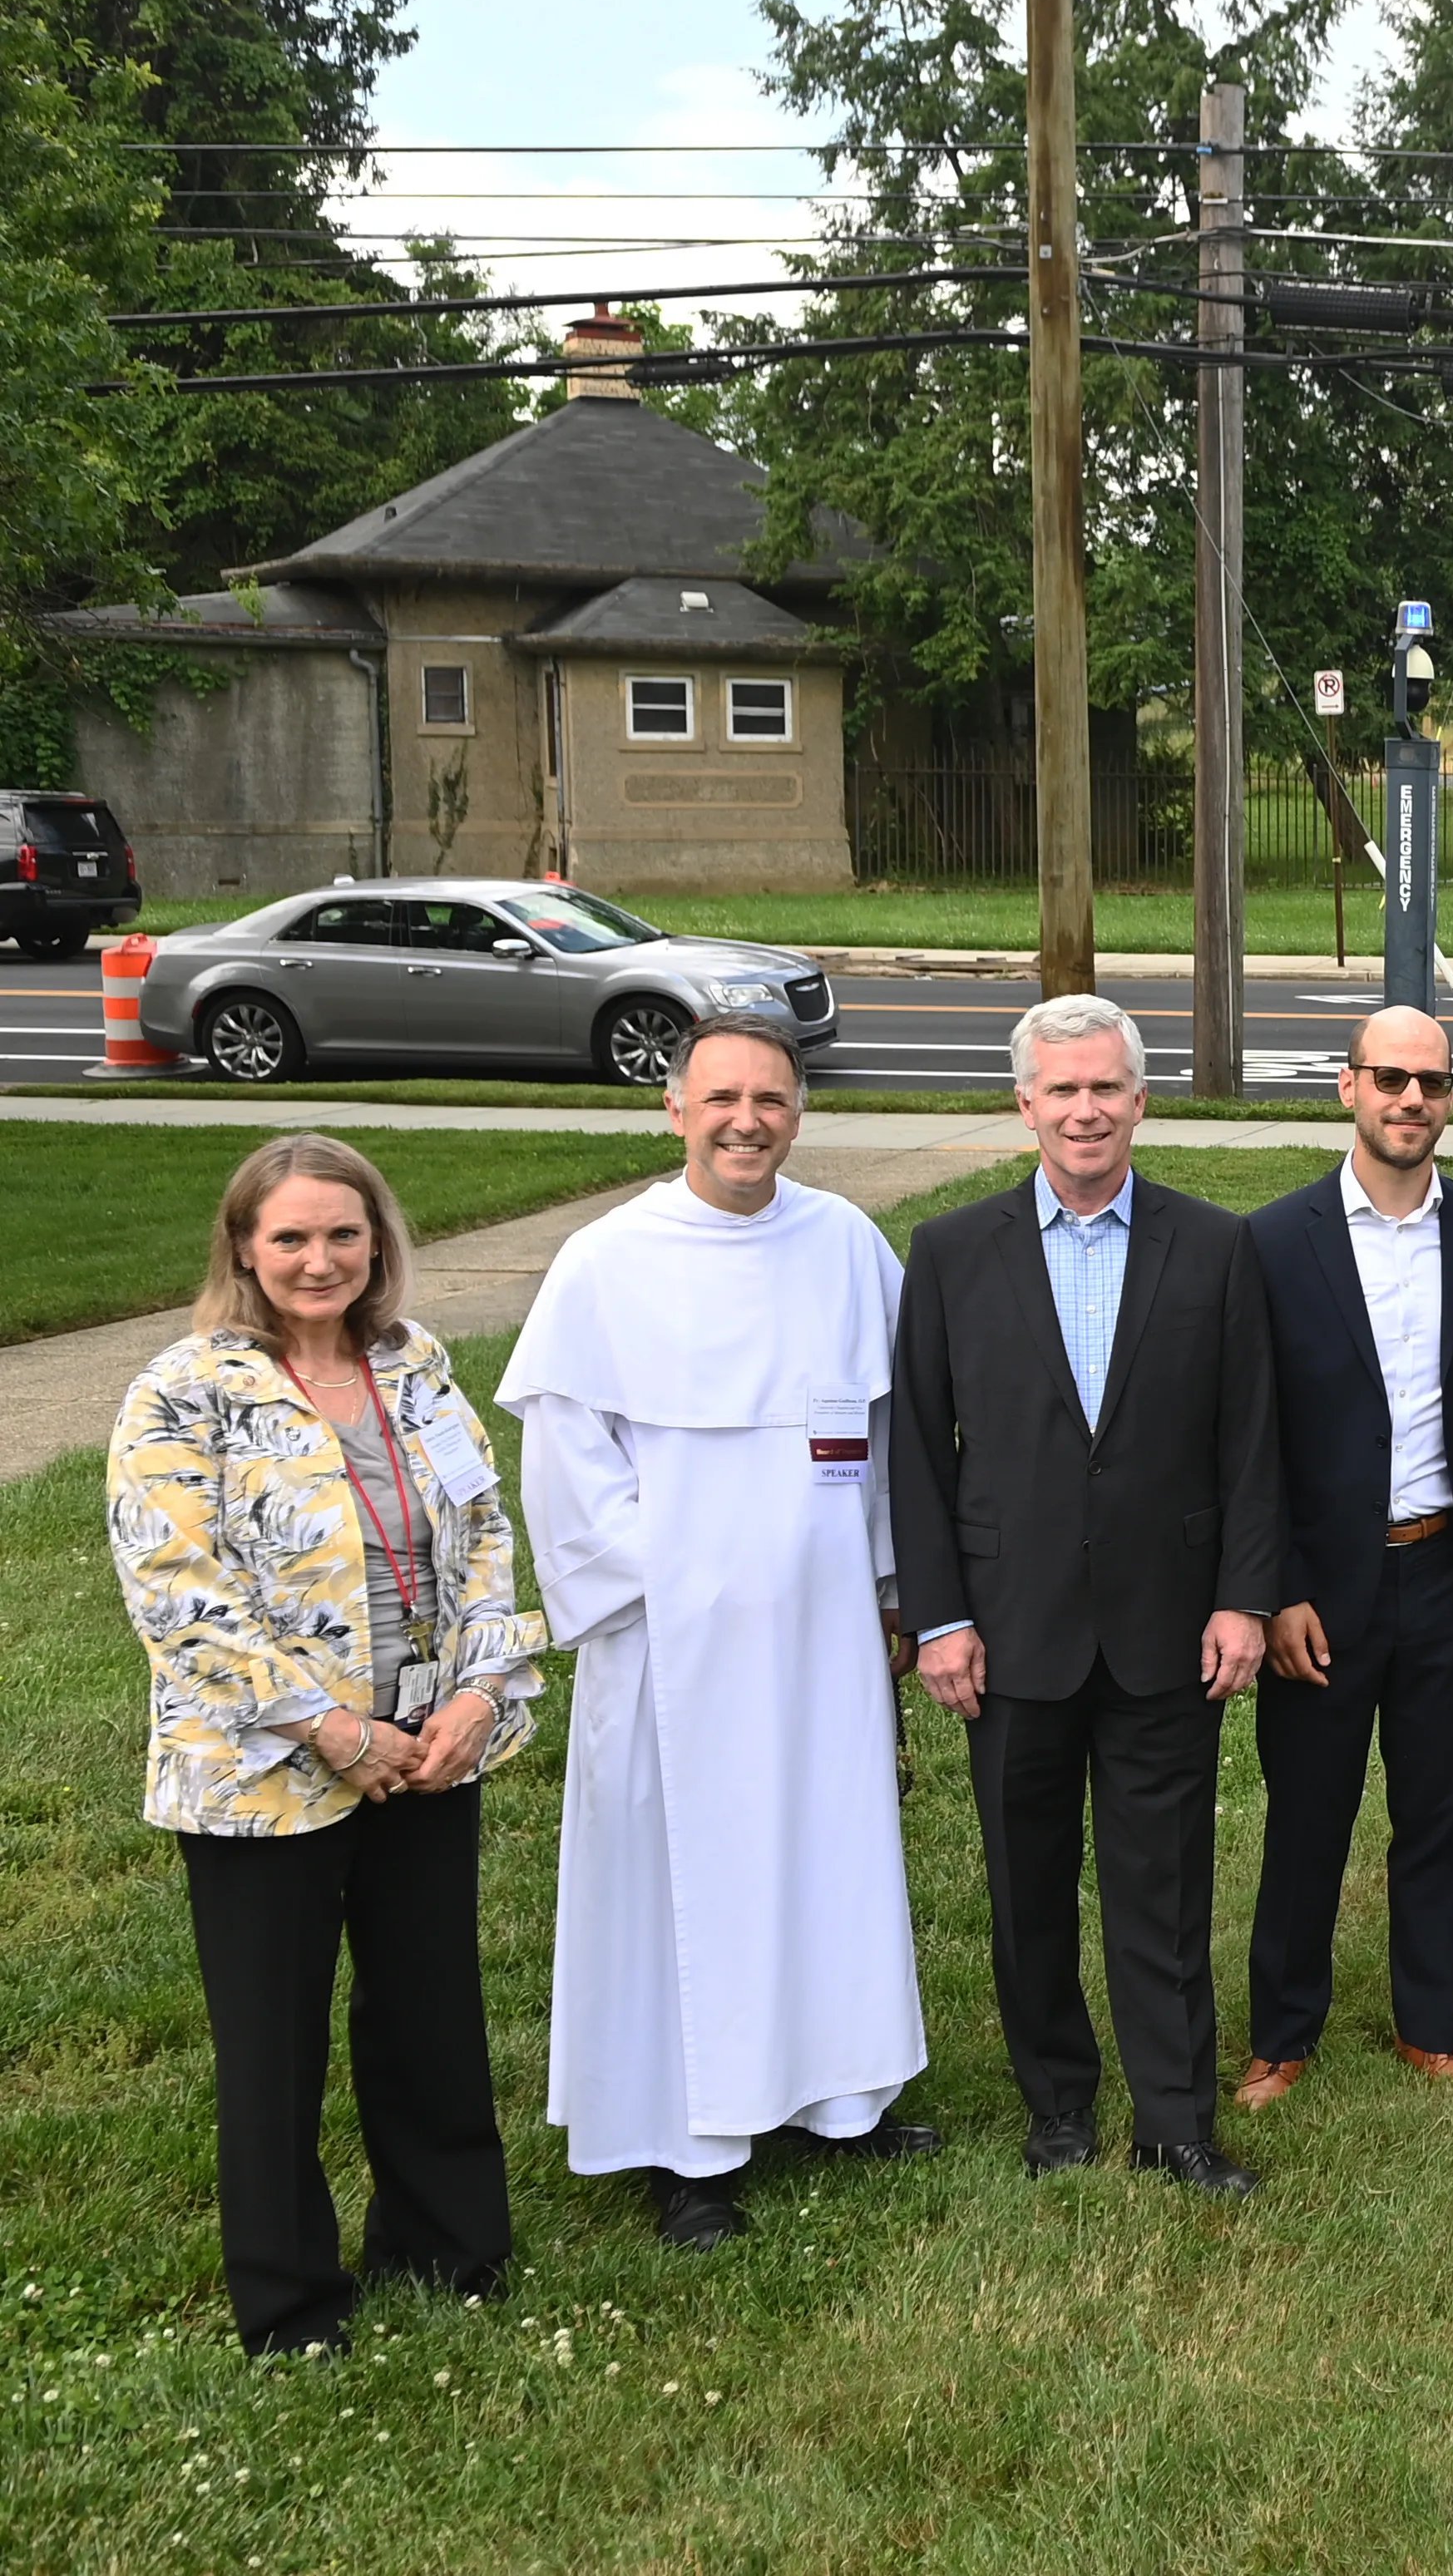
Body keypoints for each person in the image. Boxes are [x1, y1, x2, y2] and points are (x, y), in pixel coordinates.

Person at [502, 1011, 936, 2251]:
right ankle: (685, 2147)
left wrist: (893, 1582)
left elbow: (883, 1433)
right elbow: (572, 1478)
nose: (748, 1119)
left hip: (821, 1636)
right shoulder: (605, 1262)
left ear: (799, 1113)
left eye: (773, 1099)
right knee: (681, 1889)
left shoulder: (845, 1244)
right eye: (723, 1097)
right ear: (675, 1108)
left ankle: (835, 2100)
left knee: (825, 1856)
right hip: (669, 1647)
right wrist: (689, 1581)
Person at [111, 1135, 544, 2354]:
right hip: (266, 1770)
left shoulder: (415, 1365)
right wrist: (335, 1730)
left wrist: (477, 1695)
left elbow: (484, 1533)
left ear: (378, 1243)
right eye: (291, 1236)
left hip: (428, 1744)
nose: (319, 1259)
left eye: (342, 1234)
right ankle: (293, 2301)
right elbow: (179, 1594)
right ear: (244, 1247)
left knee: (430, 2015)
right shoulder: (185, 1386)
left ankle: (448, 2245)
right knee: (274, 2041)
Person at [893, 994, 1286, 2194]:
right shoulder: (953, 1254)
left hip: (1171, 1628)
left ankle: (1175, 2120)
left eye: (1105, 1087)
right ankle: (1056, 2101)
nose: (1084, 1109)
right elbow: (919, 1445)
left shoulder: (1215, 1247)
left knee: (1161, 1886)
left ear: (1140, 1100)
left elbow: (1252, 1443)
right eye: (1061, 1089)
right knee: (1025, 1880)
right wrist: (943, 1617)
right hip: (1010, 1635)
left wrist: (1243, 1599)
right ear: (1025, 1106)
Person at [1238, 1006, 1453, 2106]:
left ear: (1449, 1098)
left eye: (1432, 1081)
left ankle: (1432, 2022)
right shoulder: (1274, 1244)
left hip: (1445, 1574)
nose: (1411, 1099)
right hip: (1321, 1593)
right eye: (1391, 1079)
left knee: (1443, 1812)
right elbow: (1248, 1439)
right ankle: (1282, 2034)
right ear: (1348, 1088)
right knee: (1309, 1818)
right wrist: (1272, 1592)